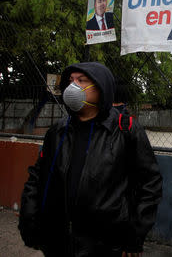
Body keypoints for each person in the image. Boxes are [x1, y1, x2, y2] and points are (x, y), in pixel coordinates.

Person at [19, 62, 163, 257]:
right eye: (70, 81)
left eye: (81, 80)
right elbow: (37, 177)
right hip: (59, 243)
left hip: (106, 245)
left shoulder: (125, 130)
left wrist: (135, 236)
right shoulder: (57, 131)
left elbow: (150, 184)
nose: (73, 86)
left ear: (101, 87)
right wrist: (30, 221)